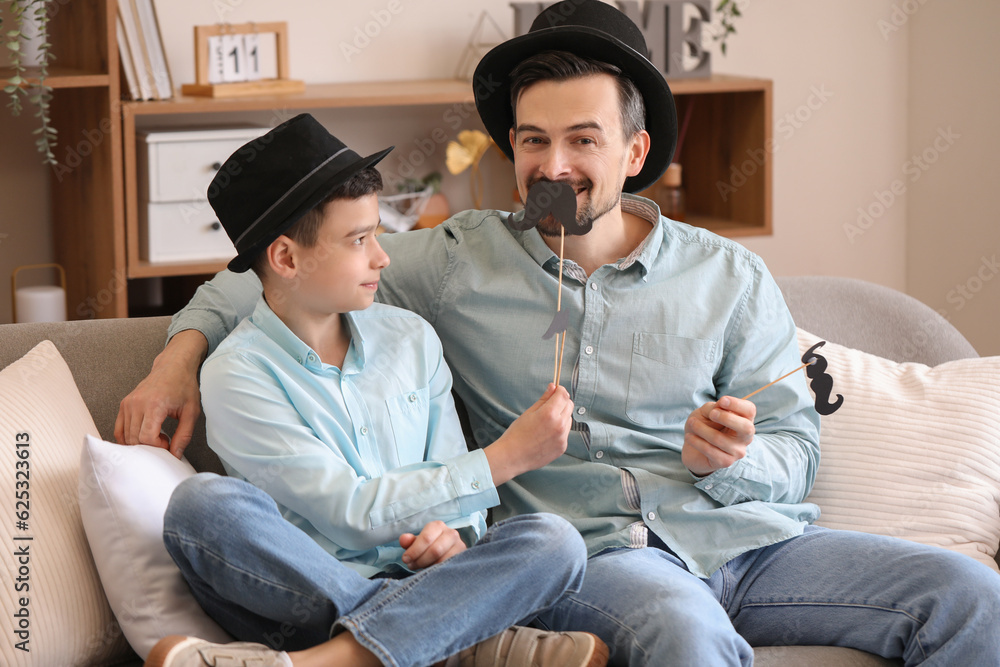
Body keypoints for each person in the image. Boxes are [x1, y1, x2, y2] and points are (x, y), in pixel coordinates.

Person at [122, 2, 1000, 665]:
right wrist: (175, 358)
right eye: (533, 140)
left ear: (634, 149)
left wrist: (730, 462)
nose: (554, 166)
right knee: (681, 629)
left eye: (584, 139)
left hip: (753, 540)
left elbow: (795, 450)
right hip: (603, 560)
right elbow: (270, 274)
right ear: (511, 146)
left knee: (969, 592)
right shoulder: (460, 260)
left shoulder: (726, 276)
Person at [143, 114, 610, 667]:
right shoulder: (237, 374)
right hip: (308, 597)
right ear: (287, 258)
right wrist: (504, 459)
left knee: (554, 542)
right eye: (359, 240)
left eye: (378, 234)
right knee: (204, 507)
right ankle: (459, 643)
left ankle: (341, 660)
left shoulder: (411, 337)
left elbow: (454, 484)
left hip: (429, 581)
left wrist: (452, 536)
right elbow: (350, 511)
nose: (382, 258)